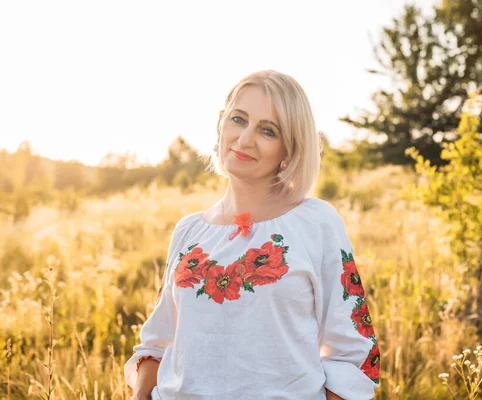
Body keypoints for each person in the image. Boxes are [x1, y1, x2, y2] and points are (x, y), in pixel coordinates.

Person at [124, 70, 380, 400]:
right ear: (221, 125)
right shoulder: (189, 231)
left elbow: (354, 354)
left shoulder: (317, 224)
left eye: (268, 130)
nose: (245, 139)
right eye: (238, 119)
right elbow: (157, 342)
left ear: (289, 149)